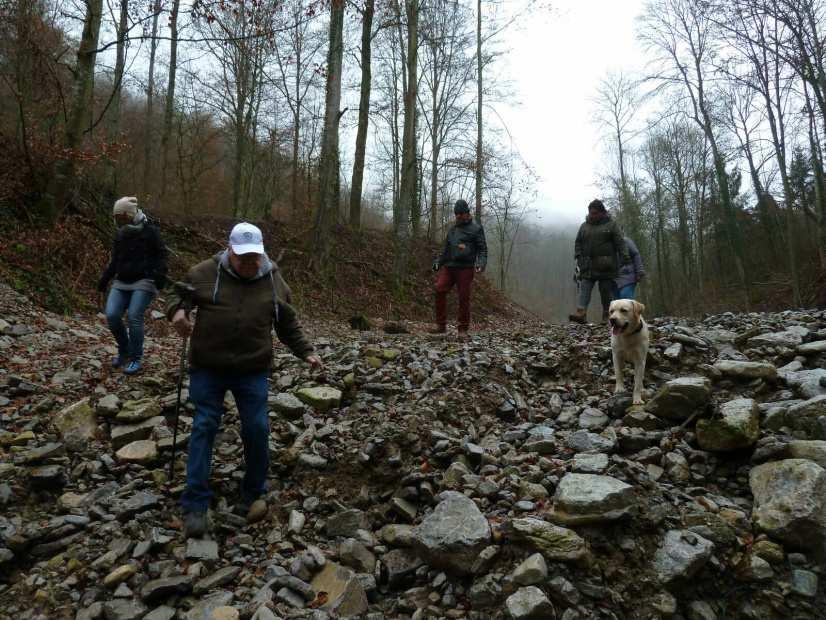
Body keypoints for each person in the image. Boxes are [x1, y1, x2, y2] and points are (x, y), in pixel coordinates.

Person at [166, 222, 321, 538]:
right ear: (229, 251)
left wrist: (306, 351)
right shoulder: (203, 273)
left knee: (257, 426)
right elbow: (177, 296)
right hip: (208, 365)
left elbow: (287, 323)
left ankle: (254, 491)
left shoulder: (274, 280)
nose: (250, 265)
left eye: (255, 258)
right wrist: (177, 313)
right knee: (204, 424)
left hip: (252, 367)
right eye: (243, 258)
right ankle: (195, 502)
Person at [98, 196, 168, 374]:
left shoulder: (150, 232)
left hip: (144, 280)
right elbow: (115, 260)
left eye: (121, 218)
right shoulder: (120, 235)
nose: (119, 222)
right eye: (117, 218)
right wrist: (105, 279)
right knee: (112, 315)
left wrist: (160, 276)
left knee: (134, 315)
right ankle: (124, 351)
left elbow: (161, 255)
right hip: (122, 280)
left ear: (130, 215)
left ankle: (136, 358)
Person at [432, 199, 487, 337]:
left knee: (463, 297)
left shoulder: (476, 228)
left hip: (465, 268)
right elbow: (446, 251)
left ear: (467, 213)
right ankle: (440, 325)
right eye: (456, 214)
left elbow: (482, 250)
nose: (457, 216)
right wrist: (438, 262)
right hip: (449, 266)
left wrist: (480, 263)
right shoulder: (452, 230)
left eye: (460, 214)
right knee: (439, 288)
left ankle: (463, 329)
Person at [568, 199, 630, 324]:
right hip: (587, 265)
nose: (592, 215)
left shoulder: (611, 225)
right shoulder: (584, 226)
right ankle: (581, 313)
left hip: (606, 266)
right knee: (584, 288)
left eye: (595, 213)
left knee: (605, 292)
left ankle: (607, 316)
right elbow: (578, 242)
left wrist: (625, 256)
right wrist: (578, 255)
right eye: (590, 212)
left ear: (602, 213)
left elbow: (620, 242)